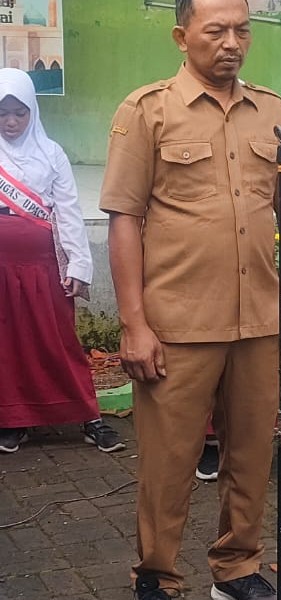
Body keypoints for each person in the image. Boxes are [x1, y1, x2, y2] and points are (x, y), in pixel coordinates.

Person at [100, 0, 281, 598]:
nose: (231, 43)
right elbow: (124, 218)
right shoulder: (148, 111)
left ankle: (237, 569)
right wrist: (134, 324)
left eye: (242, 30)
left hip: (257, 324)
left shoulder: (272, 112)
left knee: (249, 457)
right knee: (168, 464)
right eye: (216, 30)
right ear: (181, 36)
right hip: (177, 325)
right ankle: (157, 576)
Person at [0, 68, 124, 455]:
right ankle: (14, 420)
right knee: (8, 343)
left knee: (58, 340)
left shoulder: (51, 154)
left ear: (32, 111)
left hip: (45, 267)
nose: (11, 121)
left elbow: (68, 212)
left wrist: (78, 266)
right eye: (2, 113)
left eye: (19, 112)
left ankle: (88, 416)